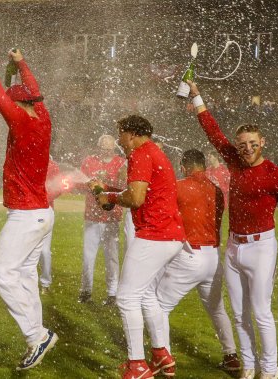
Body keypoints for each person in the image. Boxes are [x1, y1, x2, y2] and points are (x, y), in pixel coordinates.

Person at [188, 80, 278, 379]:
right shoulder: (234, 161)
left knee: (261, 312)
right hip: (234, 246)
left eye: (253, 144)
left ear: (262, 142)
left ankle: (270, 370)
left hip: (261, 247)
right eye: (242, 145)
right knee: (239, 314)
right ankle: (250, 367)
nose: (248, 149)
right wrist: (197, 96)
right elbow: (212, 132)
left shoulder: (274, 173)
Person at [0, 42, 58, 370]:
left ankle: (37, 335)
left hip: (26, 216)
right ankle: (37, 340)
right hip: (43, 214)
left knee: (3, 275)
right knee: (25, 275)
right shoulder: (43, 117)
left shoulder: (21, 120)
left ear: (19, 103)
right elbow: (35, 92)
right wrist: (22, 63)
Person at [92, 115, 185, 379]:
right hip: (170, 234)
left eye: (120, 134)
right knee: (145, 296)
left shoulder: (141, 154)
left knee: (126, 298)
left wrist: (109, 196)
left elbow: (136, 197)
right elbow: (142, 192)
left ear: (131, 134)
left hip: (155, 234)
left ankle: (137, 366)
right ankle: (161, 355)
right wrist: (110, 192)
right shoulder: (153, 152)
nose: (119, 140)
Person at [156, 149, 240, 373]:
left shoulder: (180, 185)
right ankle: (231, 356)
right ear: (203, 166)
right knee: (217, 309)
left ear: (184, 166)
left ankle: (166, 362)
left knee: (159, 306)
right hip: (213, 257)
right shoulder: (216, 189)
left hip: (190, 255)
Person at [79, 134, 126, 305]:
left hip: (112, 216)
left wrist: (108, 180)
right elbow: (79, 184)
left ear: (114, 147)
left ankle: (112, 293)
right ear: (98, 146)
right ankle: (85, 291)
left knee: (112, 257)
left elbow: (125, 185)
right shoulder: (89, 161)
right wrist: (92, 183)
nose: (106, 149)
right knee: (88, 256)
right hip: (92, 216)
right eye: (103, 146)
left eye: (109, 146)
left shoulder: (121, 163)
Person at [39, 157, 61, 294]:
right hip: (29, 209)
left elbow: (58, 188)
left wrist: (42, 198)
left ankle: (45, 283)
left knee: (44, 250)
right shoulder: (30, 160)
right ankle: (25, 280)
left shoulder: (52, 165)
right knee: (27, 249)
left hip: (46, 209)